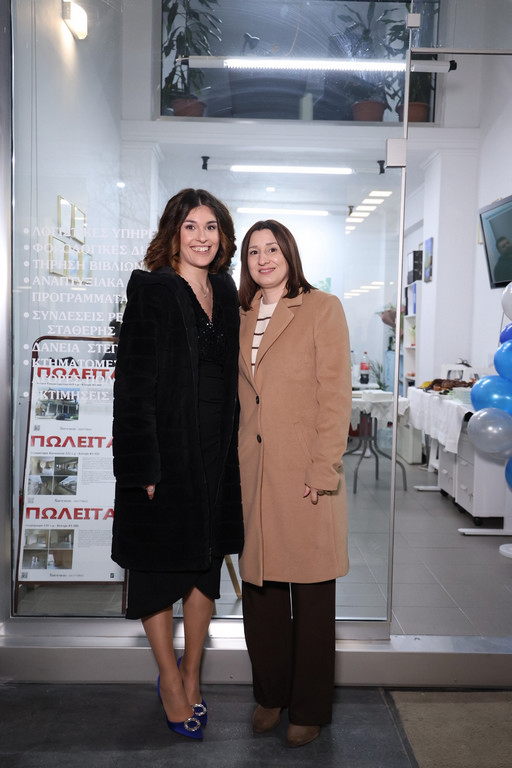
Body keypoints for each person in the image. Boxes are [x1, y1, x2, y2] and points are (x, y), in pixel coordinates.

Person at [111, 188, 243, 741]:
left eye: (211, 227)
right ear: (173, 233)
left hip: (216, 454)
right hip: (165, 456)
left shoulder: (226, 291)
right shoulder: (153, 291)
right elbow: (133, 386)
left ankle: (193, 672)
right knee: (157, 569)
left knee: (204, 564)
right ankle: (169, 679)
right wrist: (141, 466)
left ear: (223, 236)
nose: (202, 237)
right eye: (191, 226)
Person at [237, 220, 352, 748]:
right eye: (253, 251)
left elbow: (335, 396)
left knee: (311, 596)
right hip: (253, 472)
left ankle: (308, 707)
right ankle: (270, 695)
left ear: (289, 253)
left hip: (305, 474)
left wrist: (323, 469)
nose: (264, 258)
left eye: (272, 248)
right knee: (260, 592)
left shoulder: (322, 308)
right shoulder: (240, 315)